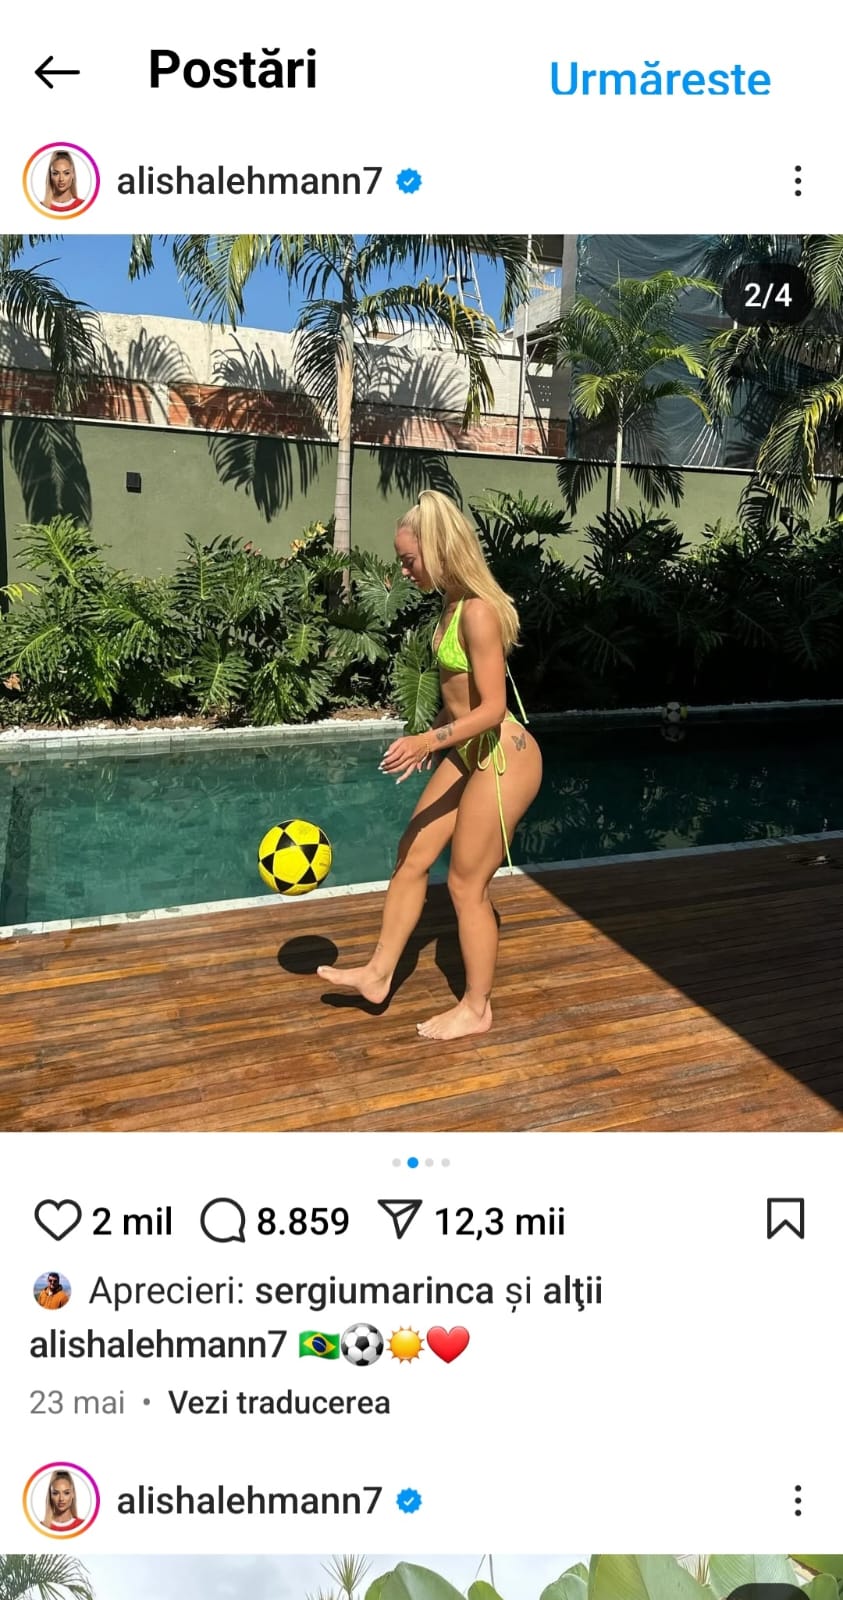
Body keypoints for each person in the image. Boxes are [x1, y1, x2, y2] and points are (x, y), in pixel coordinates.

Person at [318, 489, 543, 1040]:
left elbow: (493, 709)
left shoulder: (478, 612)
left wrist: (429, 741)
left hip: (504, 757)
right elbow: (459, 697)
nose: (403, 570)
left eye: (408, 560)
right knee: (412, 853)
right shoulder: (450, 607)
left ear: (438, 551)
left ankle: (477, 1008)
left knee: (465, 885)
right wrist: (432, 735)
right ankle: (378, 974)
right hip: (469, 750)